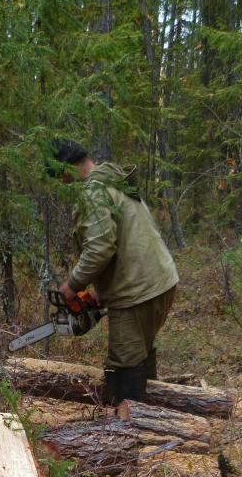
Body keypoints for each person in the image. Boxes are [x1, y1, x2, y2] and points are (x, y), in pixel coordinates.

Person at [50, 138, 179, 405]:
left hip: (138, 290)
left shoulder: (92, 192)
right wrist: (102, 293)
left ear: (67, 169)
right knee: (141, 353)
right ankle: (154, 419)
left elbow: (100, 247)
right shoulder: (113, 181)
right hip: (159, 281)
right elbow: (125, 241)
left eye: (59, 177)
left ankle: (128, 433)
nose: (61, 184)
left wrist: (72, 286)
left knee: (122, 365)